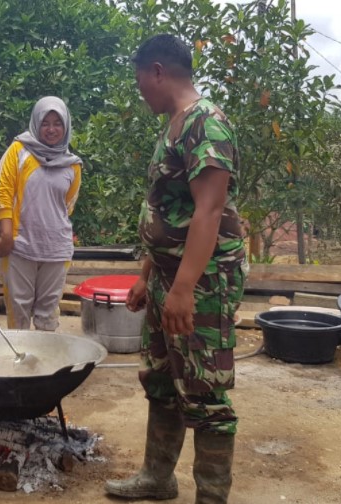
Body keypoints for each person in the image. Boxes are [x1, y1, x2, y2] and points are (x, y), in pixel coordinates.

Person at [103, 34, 246, 503]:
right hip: (167, 278)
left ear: (158, 71)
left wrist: (184, 289)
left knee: (205, 395)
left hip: (202, 285)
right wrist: (147, 277)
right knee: (161, 380)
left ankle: (211, 498)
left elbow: (208, 211)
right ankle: (158, 478)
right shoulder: (173, 125)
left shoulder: (207, 125)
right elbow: (163, 209)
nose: (140, 89)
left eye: (141, 79)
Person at [0, 96, 82, 331]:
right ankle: (20, 364)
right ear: (36, 123)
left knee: (48, 311)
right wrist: (7, 234)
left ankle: (44, 363)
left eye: (57, 123)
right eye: (45, 123)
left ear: (66, 126)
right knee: (18, 309)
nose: (51, 129)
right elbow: (2, 192)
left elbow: (67, 204)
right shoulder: (18, 151)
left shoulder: (72, 164)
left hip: (56, 248)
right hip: (19, 246)